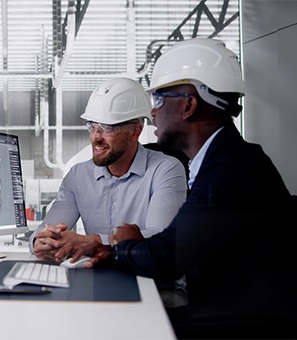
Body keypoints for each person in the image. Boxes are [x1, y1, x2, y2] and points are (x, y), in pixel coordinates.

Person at [63, 38, 297, 339]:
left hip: (253, 318)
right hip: (233, 305)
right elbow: (172, 244)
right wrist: (122, 246)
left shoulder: (231, 168)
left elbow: (167, 259)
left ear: (188, 105)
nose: (152, 112)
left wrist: (121, 244)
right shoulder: (218, 160)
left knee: (117, 329)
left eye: (159, 99)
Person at [30, 77, 187, 263]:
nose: (96, 137)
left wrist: (93, 241)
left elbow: (160, 236)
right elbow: (46, 230)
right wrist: (41, 243)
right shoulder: (77, 176)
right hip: (99, 276)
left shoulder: (166, 170)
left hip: (155, 282)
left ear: (135, 131)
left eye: (107, 128)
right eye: (92, 126)